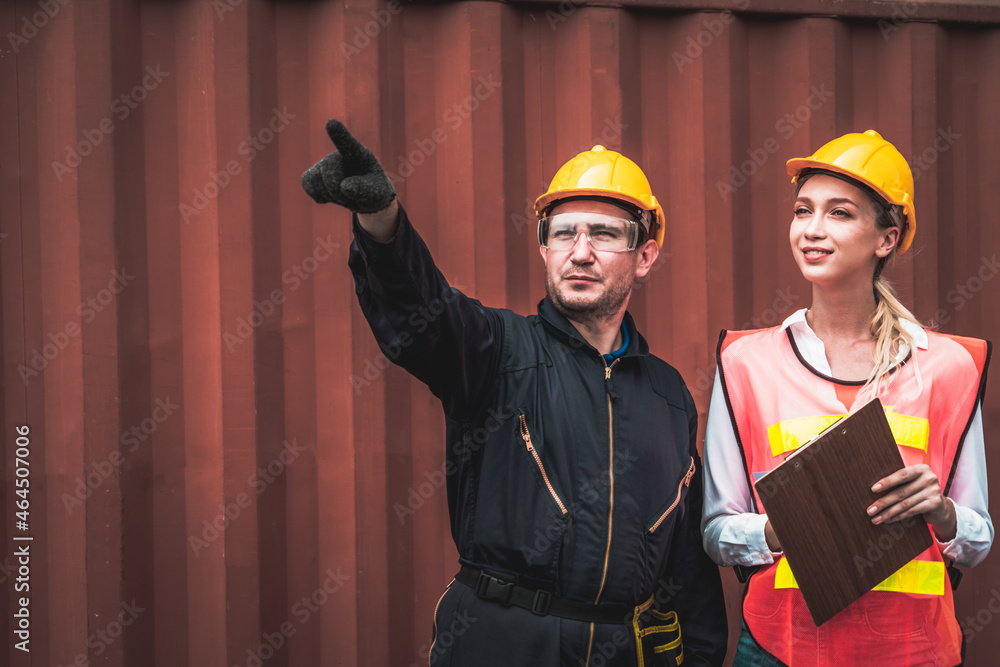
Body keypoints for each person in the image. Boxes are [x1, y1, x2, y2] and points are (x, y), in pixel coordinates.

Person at [302, 120, 727, 666]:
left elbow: (687, 566)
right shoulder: (494, 351)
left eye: (603, 233)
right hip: (499, 645)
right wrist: (382, 220)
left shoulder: (668, 395)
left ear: (644, 256)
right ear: (543, 248)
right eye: (563, 233)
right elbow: (419, 311)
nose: (580, 251)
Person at [702, 130, 993, 666]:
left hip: (915, 652)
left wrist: (942, 511)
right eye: (802, 210)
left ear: (887, 237)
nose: (812, 230)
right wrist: (785, 526)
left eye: (839, 213)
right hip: (778, 651)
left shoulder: (949, 367)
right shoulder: (745, 363)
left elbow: (977, 539)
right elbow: (718, 532)